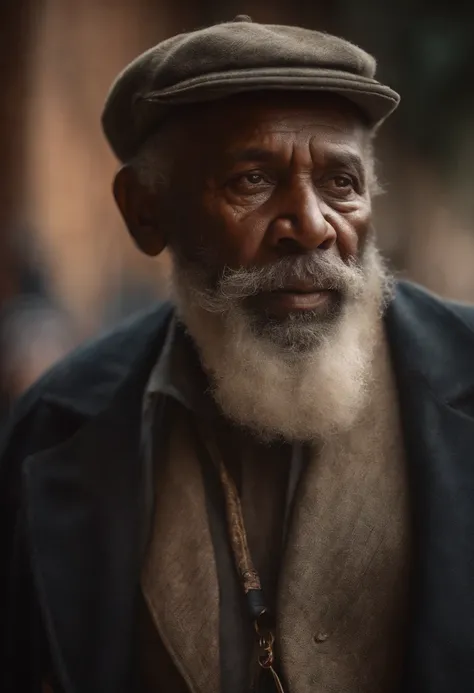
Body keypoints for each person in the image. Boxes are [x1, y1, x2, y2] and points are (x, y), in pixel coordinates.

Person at [1, 16, 473, 693]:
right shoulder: (55, 427)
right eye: (252, 180)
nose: (311, 225)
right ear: (146, 211)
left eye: (341, 182)